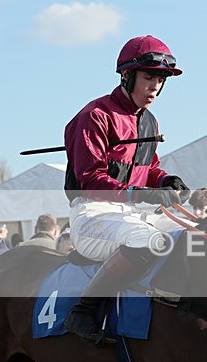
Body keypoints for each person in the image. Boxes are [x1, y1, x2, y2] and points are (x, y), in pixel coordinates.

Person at [62, 35, 190, 345]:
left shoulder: (150, 122)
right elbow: (90, 180)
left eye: (161, 79)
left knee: (197, 230)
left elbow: (149, 169)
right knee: (146, 240)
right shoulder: (96, 116)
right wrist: (141, 194)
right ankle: (83, 310)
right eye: (149, 77)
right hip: (92, 214)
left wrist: (164, 181)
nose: (155, 86)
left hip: (131, 213)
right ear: (126, 75)